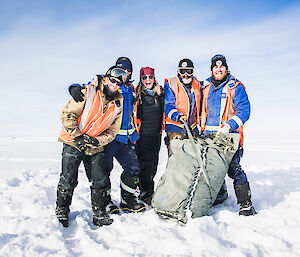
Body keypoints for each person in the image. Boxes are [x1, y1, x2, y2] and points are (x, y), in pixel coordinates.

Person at [69, 57, 146, 213]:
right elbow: (92, 86)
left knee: (133, 168)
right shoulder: (110, 85)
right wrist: (76, 87)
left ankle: (128, 199)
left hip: (127, 138)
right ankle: (106, 201)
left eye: (128, 71)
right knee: (105, 170)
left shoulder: (132, 88)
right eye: (121, 69)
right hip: (109, 138)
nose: (124, 73)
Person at [55, 66, 125, 227]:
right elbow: (68, 114)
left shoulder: (118, 103)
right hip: (73, 141)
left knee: (100, 179)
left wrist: (97, 141)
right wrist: (77, 135)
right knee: (68, 178)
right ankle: (62, 209)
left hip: (93, 144)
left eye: (118, 83)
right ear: (106, 79)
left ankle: (99, 212)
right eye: (113, 80)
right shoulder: (89, 91)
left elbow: (113, 131)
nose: (115, 84)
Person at [200, 54, 256, 216]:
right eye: (215, 67)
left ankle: (246, 204)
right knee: (212, 169)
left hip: (230, 137)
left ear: (226, 68)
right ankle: (220, 195)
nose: (219, 69)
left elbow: (244, 111)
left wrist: (229, 126)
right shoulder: (205, 87)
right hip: (208, 137)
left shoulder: (235, 86)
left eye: (221, 66)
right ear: (212, 69)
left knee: (234, 169)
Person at [134, 67, 164, 205]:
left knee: (153, 165)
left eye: (150, 77)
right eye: (144, 78)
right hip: (142, 135)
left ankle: (148, 191)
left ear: (154, 78)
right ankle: (144, 191)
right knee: (145, 165)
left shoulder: (160, 93)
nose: (148, 80)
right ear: (141, 79)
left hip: (156, 134)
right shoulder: (137, 94)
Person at [164, 58, 201, 145]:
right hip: (176, 127)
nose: (185, 75)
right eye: (182, 71)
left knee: (194, 155)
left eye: (188, 71)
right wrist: (178, 116)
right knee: (178, 155)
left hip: (191, 127)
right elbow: (168, 106)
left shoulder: (197, 84)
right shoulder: (171, 83)